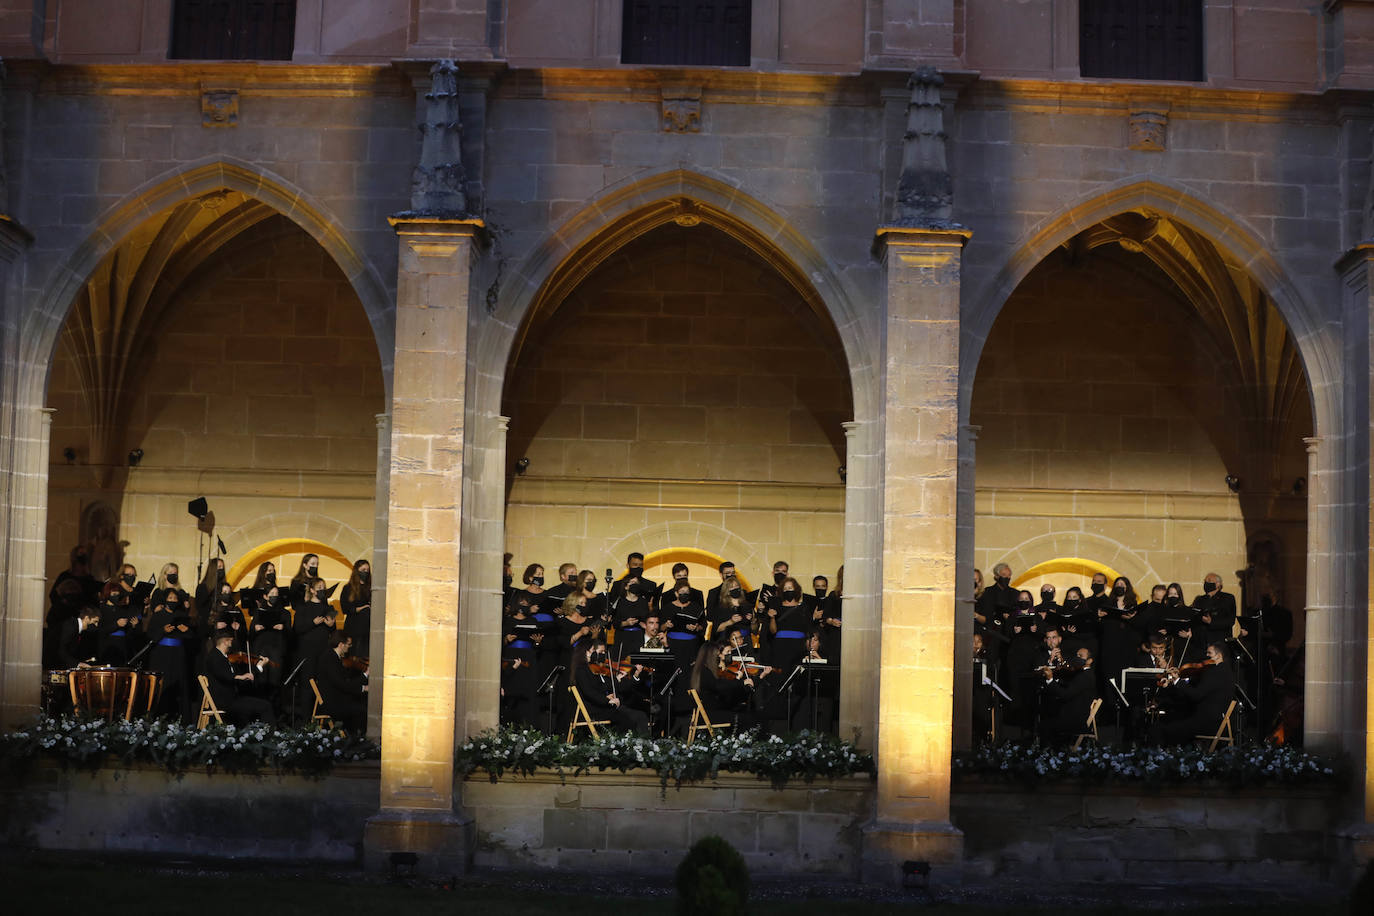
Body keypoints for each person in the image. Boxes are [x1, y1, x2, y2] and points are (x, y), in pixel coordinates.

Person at [1155, 642, 1236, 745]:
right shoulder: (1226, 671)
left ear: (1219, 656)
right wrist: (1178, 679)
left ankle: (1161, 757)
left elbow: (1196, 694)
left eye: (1209, 653)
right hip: (1216, 720)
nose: (1206, 656)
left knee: (1159, 728)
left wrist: (1178, 681)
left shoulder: (1214, 673)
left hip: (1207, 723)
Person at [571, 641, 649, 736]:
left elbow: (618, 687)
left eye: (604, 652)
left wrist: (634, 675)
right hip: (596, 709)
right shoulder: (582, 670)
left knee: (640, 716)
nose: (603, 655)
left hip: (609, 706)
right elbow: (590, 692)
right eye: (600, 652)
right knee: (626, 720)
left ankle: (642, 746)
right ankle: (624, 746)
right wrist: (607, 700)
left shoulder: (600, 668)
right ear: (587, 652)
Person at [202, 632, 274, 725]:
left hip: (230, 697)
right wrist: (258, 668)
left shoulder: (221, 656)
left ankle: (253, 734)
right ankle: (269, 736)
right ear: (225, 642)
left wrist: (241, 676)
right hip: (226, 701)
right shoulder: (215, 658)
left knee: (258, 703)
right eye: (231, 641)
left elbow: (230, 676)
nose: (232, 643)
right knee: (265, 706)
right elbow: (229, 679)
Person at [1038, 647, 1099, 745]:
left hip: (1076, 720)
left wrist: (1050, 680)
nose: (1077, 658)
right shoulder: (1082, 673)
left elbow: (1065, 695)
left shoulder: (1085, 676)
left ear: (1090, 660)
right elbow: (1069, 686)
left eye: (1081, 656)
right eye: (1077, 655)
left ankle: (1050, 754)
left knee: (1044, 725)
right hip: (1075, 715)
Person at [316, 631, 368, 733]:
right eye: (348, 645)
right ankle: (355, 739)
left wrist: (364, 678)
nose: (349, 647)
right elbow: (342, 684)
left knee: (361, 703)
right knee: (362, 710)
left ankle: (351, 736)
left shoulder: (333, 656)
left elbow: (345, 682)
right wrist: (363, 686)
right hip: (333, 703)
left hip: (337, 697)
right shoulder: (330, 658)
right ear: (341, 644)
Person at [1192, 573, 1238, 645]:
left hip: (1219, 641)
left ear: (1218, 584)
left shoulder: (1228, 598)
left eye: (1209, 581)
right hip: (1201, 642)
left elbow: (1230, 621)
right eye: (1205, 581)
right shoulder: (1199, 599)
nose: (1206, 583)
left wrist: (1212, 621)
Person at [340, 559, 373, 658]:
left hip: (367, 627)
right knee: (353, 655)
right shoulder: (348, 588)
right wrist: (361, 608)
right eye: (363, 570)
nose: (365, 572)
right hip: (354, 626)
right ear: (357, 571)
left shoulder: (370, 588)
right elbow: (345, 609)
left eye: (367, 570)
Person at [975, 562, 1018, 632]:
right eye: (1004, 575)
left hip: (1009, 632)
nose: (1007, 578)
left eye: (1009, 575)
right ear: (997, 576)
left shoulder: (1016, 594)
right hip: (989, 631)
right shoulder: (986, 592)